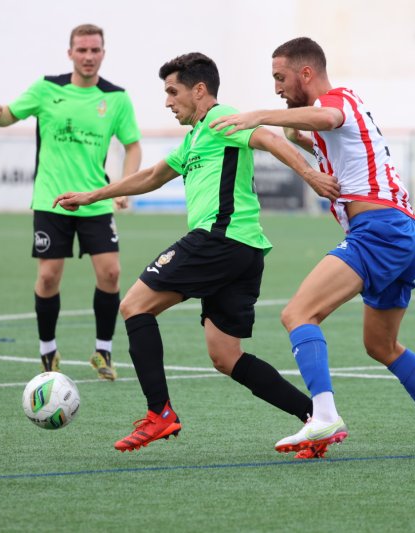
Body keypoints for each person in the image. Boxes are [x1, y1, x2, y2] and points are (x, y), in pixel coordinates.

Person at [53, 52, 341, 457]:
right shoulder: (194, 137)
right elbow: (153, 175)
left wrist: (309, 173)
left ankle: (159, 414)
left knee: (135, 306)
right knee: (225, 356)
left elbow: (268, 137)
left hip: (217, 241)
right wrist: (92, 196)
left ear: (199, 90)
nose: (168, 101)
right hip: (243, 251)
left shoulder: (224, 119)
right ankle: (317, 420)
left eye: (173, 92)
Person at [210, 37, 415, 458]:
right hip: (404, 232)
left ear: (307, 73)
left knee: (298, 313)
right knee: (381, 346)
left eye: (281, 78)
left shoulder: (339, 99)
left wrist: (258, 115)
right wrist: (295, 133)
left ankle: (324, 415)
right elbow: (326, 139)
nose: (277, 87)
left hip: (379, 230)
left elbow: (329, 117)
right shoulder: (345, 112)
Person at [0, 24, 143, 381]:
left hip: (95, 201)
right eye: (82, 50)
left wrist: (124, 187)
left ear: (103, 53)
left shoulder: (116, 98)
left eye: (95, 50)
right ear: (70, 53)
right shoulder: (46, 88)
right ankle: (47, 351)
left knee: (112, 273)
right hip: (51, 201)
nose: (88, 57)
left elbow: (132, 145)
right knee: (48, 276)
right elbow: (11, 114)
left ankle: (103, 350)